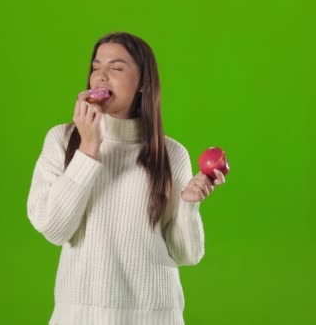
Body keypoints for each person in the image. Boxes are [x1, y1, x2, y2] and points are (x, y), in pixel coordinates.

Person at [26, 31, 226, 325]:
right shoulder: (62, 140)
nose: (102, 77)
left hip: (155, 316)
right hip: (80, 316)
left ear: (144, 83)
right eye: (96, 67)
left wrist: (188, 204)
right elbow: (54, 228)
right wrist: (89, 148)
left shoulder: (171, 154)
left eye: (116, 68)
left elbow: (187, 254)